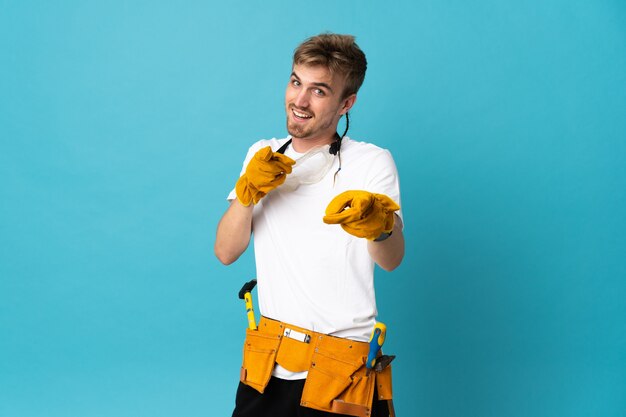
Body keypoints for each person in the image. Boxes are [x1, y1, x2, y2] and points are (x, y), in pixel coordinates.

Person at [215, 33, 404, 417]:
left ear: (346, 103)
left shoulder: (371, 163)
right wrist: (248, 190)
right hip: (268, 362)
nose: (299, 101)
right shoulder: (263, 156)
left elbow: (392, 259)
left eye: (318, 91)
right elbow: (226, 252)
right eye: (296, 82)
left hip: (341, 371)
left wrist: (378, 225)